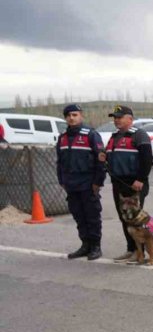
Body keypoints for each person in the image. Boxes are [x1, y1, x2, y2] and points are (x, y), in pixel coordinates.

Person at [56, 104, 105, 260]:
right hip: (71, 184)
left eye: (75, 115)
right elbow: (60, 162)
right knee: (79, 216)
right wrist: (61, 180)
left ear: (81, 116)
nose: (71, 118)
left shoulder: (91, 135)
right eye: (68, 115)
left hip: (88, 183)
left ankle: (96, 247)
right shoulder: (62, 137)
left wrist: (98, 182)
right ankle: (85, 245)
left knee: (92, 216)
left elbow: (101, 161)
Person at [105, 105, 152, 262]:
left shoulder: (139, 135)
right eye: (115, 117)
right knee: (124, 217)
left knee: (136, 219)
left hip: (134, 184)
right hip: (118, 183)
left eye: (120, 117)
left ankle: (142, 252)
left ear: (130, 119)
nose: (116, 120)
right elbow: (108, 155)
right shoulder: (114, 137)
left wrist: (141, 179)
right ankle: (131, 249)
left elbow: (147, 159)